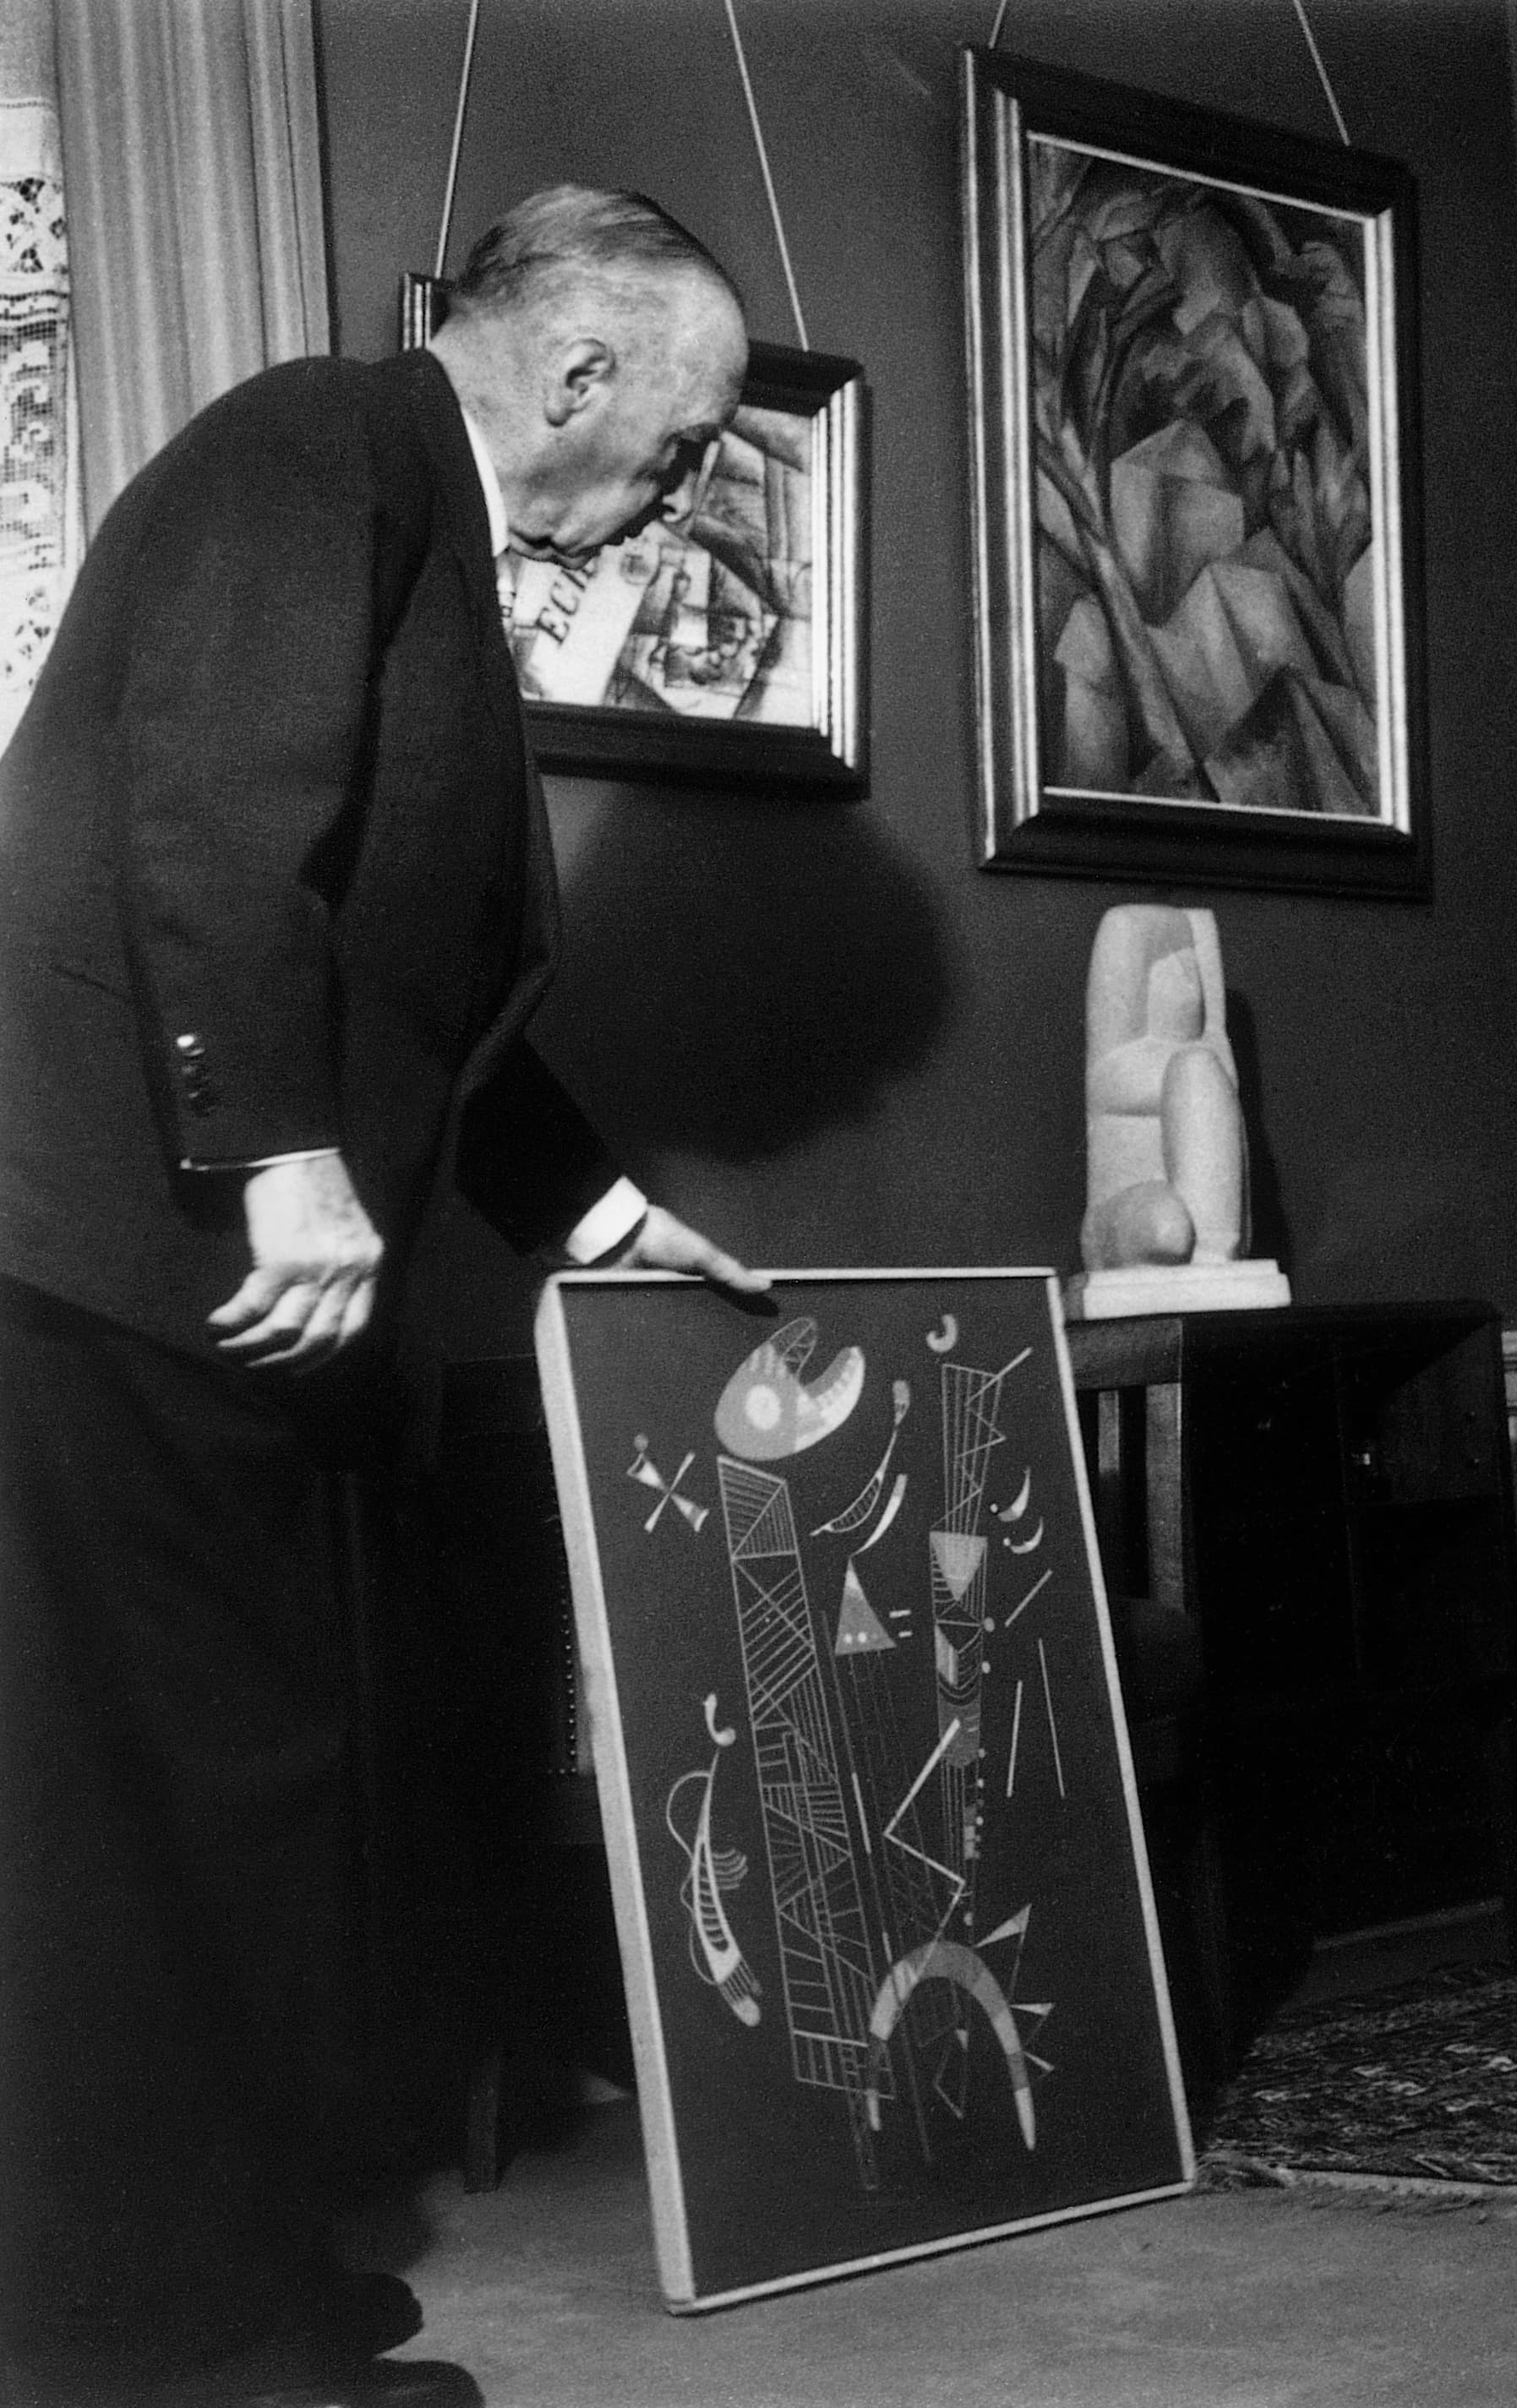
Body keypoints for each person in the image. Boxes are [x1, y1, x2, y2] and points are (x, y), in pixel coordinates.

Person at [0, 188, 773, 2408]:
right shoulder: (325, 444)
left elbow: (420, 996)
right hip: (130, 1253)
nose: (682, 482)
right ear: (585, 368)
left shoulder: (403, 515)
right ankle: (180, 2345)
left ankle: (207, 2281)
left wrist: (621, 1224)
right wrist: (277, 1156)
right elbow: (213, 826)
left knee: (232, 1787)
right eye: (687, 434)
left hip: (178, 1264)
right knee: (167, 1805)